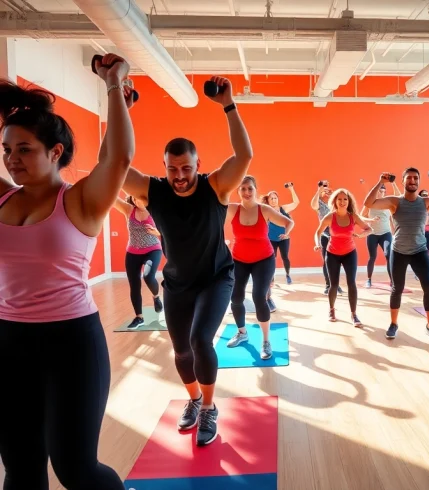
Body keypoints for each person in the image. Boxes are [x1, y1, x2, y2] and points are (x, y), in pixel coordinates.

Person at [0, 54, 133, 489]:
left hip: (71, 343)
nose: (12, 159)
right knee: (20, 468)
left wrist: (113, 85)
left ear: (55, 152)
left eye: (24, 149)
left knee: (75, 468)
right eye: (6, 150)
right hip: (9, 341)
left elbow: (119, 157)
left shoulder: (79, 201)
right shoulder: (3, 198)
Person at [121, 76, 252, 446]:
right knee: (179, 350)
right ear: (164, 166)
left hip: (216, 277)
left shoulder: (217, 187)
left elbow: (244, 156)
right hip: (177, 281)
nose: (179, 177)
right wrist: (122, 109)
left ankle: (210, 407)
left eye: (186, 168)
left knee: (199, 340)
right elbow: (112, 164)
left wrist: (229, 105)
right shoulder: (153, 190)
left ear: (198, 165)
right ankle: (194, 400)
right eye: (172, 169)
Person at [364, 168, 429, 343]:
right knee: (396, 289)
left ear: (419, 181)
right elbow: (369, 203)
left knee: (428, 288)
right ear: (403, 182)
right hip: (398, 251)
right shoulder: (394, 202)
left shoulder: (426, 202)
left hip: (419, 251)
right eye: (409, 178)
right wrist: (380, 182)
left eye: (416, 178)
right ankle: (393, 324)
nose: (412, 180)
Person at [226, 176, 293, 359]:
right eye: (243, 189)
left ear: (256, 190)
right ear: (238, 191)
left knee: (258, 296)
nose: (247, 192)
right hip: (239, 259)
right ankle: (242, 333)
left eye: (250, 189)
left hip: (263, 259)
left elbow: (289, 222)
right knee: (236, 297)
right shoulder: (232, 209)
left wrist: (286, 234)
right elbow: (212, 219)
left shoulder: (265, 210)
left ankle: (266, 341)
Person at [315, 188, 372, 325]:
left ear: (348, 201)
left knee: (351, 283)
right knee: (333, 285)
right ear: (335, 201)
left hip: (350, 253)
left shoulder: (353, 216)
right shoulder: (329, 217)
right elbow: (317, 232)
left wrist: (360, 235)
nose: (342, 202)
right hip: (332, 253)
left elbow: (369, 229)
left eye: (345, 199)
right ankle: (331, 309)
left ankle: (353, 314)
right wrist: (318, 244)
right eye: (339, 199)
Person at [113, 194, 163, 329]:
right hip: (132, 252)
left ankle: (156, 296)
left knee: (148, 276)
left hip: (153, 249)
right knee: (134, 285)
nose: (136, 201)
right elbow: (112, 197)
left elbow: (168, 231)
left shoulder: (156, 210)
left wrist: (157, 233)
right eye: (134, 198)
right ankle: (139, 317)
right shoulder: (129, 210)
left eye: (138, 198)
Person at [360, 180, 400, 288]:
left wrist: (393, 183)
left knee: (388, 254)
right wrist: (371, 220)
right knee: (372, 257)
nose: (381, 193)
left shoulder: (388, 203)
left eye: (383, 191)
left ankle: (392, 280)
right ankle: (369, 279)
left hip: (385, 233)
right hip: (372, 234)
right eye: (379, 191)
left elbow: (399, 197)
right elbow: (360, 216)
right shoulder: (370, 203)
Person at [261, 182, 298, 287]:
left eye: (275, 198)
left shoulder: (283, 209)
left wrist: (291, 189)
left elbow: (296, 202)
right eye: (271, 198)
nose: (274, 200)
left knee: (285, 257)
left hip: (284, 237)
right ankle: (271, 279)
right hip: (270, 239)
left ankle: (287, 274)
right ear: (268, 200)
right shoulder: (266, 210)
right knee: (272, 258)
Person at [311, 179, 342, 295]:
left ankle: (336, 285)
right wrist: (319, 190)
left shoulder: (335, 203)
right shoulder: (319, 203)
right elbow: (313, 204)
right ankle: (328, 285)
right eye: (325, 188)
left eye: (328, 188)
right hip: (325, 235)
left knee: (337, 262)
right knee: (326, 261)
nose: (327, 190)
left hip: (337, 236)